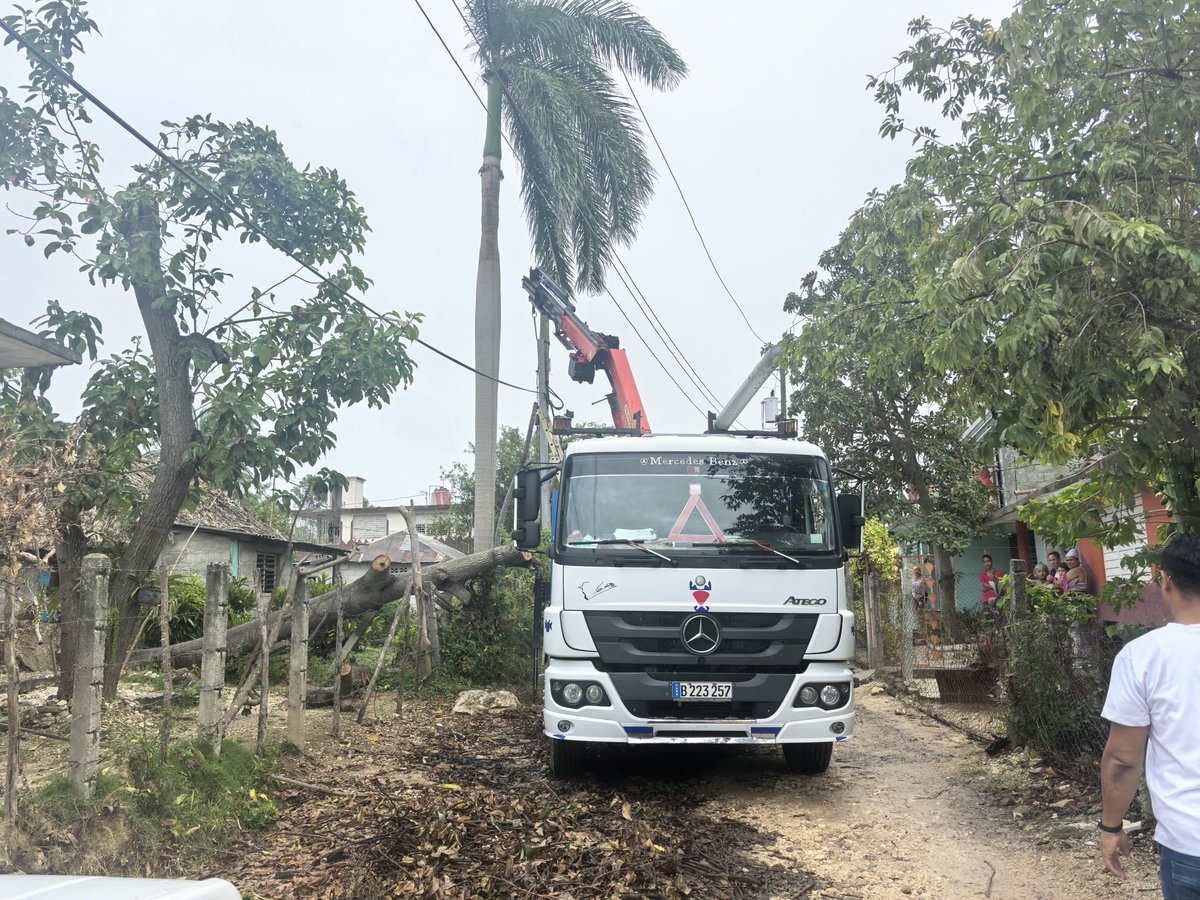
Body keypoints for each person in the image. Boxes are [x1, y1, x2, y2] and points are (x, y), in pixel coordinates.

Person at [1098, 532, 1200, 895]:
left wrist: (1111, 827)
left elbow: (1123, 759)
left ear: (1165, 580)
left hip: (1190, 842)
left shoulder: (1142, 656)